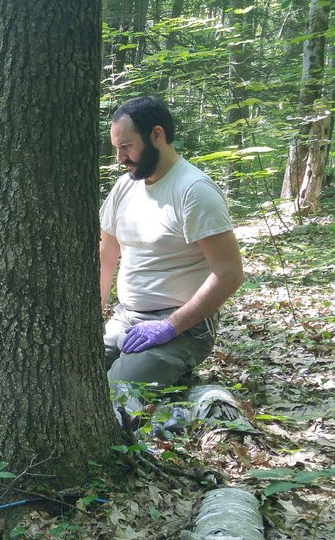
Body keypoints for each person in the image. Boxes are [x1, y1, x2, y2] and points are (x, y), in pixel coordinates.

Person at [99, 96, 245, 413]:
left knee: (114, 399)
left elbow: (230, 273)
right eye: (116, 148)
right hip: (125, 318)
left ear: (157, 135)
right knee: (73, 375)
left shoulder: (194, 190)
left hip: (183, 326)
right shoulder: (124, 188)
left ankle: (196, 392)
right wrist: (92, 314)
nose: (120, 158)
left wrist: (169, 326)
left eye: (126, 147)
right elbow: (106, 255)